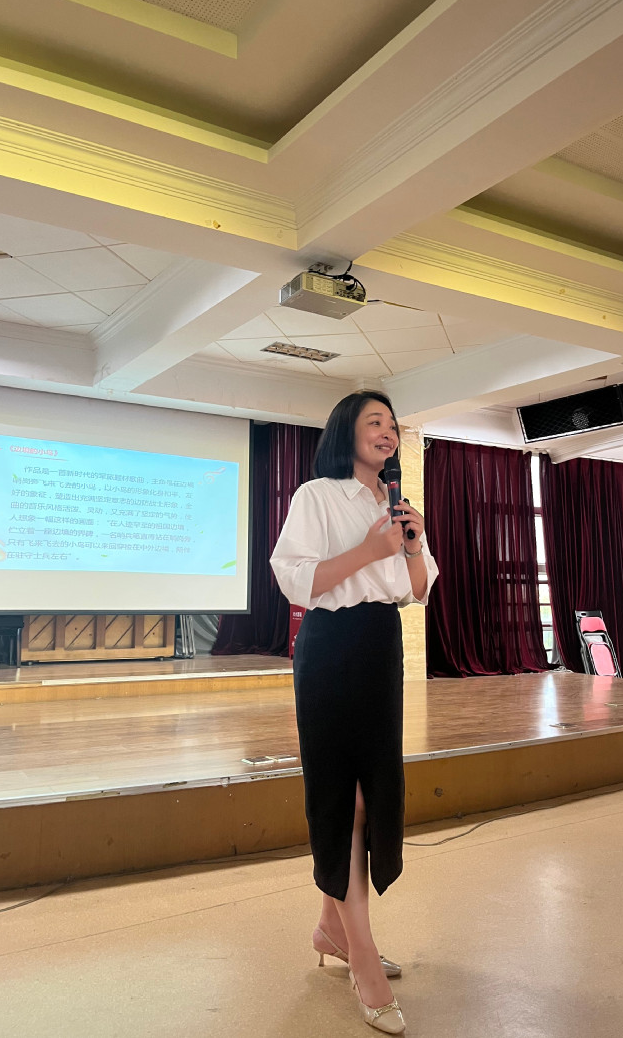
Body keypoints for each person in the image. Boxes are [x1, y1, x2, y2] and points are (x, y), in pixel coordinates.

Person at [270, 390, 438, 1033]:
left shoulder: (394, 505)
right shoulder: (316, 495)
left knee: (374, 791)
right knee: (346, 797)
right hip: (330, 646)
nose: (388, 432)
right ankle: (363, 959)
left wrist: (411, 544)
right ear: (347, 431)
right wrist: (370, 551)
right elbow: (295, 579)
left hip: (380, 645)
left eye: (392, 425)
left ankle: (330, 927)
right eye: (375, 422)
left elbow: (417, 591)